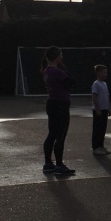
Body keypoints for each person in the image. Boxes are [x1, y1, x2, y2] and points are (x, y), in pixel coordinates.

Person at [41, 46, 76, 175]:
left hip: (52, 102)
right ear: (57, 56)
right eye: (61, 54)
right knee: (61, 135)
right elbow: (71, 83)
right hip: (61, 104)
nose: (62, 56)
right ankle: (59, 165)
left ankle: (48, 163)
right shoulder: (58, 71)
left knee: (52, 133)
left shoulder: (46, 70)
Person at [91, 64, 111, 155]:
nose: (105, 74)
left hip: (104, 109)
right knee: (97, 128)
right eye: (104, 72)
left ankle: (101, 145)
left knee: (103, 128)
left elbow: (107, 97)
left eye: (106, 72)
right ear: (98, 73)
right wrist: (97, 109)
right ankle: (96, 147)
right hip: (98, 110)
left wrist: (109, 108)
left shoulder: (105, 84)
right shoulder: (96, 84)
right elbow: (94, 97)